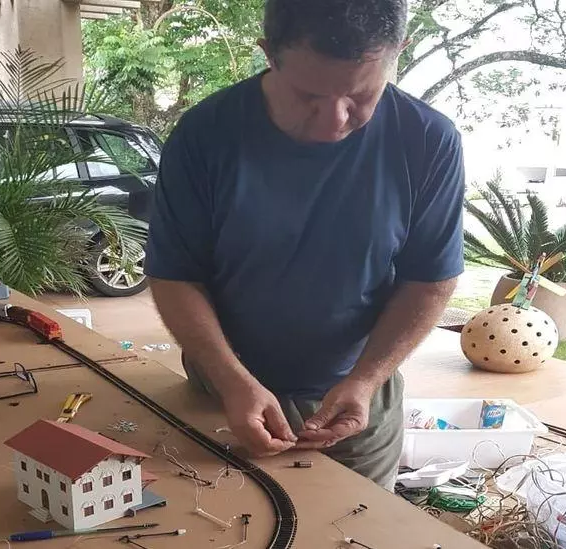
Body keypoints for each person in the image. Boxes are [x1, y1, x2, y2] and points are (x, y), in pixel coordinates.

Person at [145, 0, 465, 491]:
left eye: (360, 95)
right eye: (308, 96)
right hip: (222, 391)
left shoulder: (428, 140)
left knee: (360, 524)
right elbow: (175, 275)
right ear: (268, 53)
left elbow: (430, 281)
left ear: (397, 52)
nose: (333, 121)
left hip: (361, 397)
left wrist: (366, 380)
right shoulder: (204, 134)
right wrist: (232, 381)